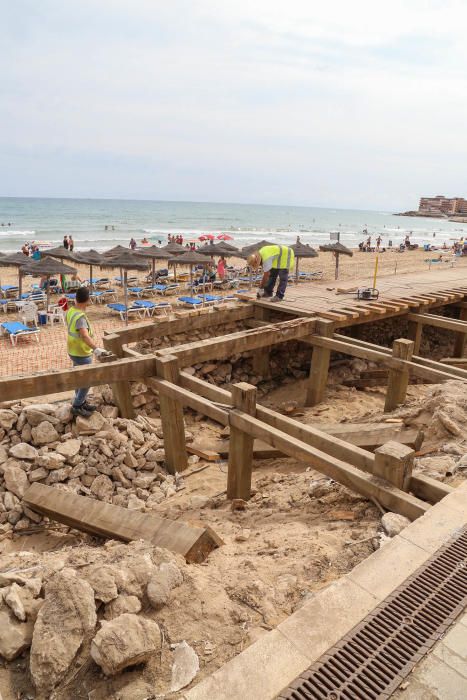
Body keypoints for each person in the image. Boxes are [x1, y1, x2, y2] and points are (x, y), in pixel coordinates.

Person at [66, 287, 106, 417]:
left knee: (78, 376)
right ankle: (77, 405)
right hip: (82, 352)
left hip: (72, 350)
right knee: (87, 379)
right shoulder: (80, 317)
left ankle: (81, 401)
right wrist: (96, 349)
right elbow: (84, 335)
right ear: (88, 300)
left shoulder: (71, 311)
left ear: (76, 298)